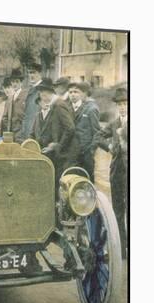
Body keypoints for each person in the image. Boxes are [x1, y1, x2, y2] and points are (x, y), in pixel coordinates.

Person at [95, 87, 128, 259]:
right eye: (120, 104)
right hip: (117, 172)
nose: (123, 107)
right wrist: (108, 147)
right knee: (118, 210)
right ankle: (122, 250)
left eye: (125, 104)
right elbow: (98, 136)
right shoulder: (114, 124)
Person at [29, 78, 79, 186]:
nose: (42, 95)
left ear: (50, 92)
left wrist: (58, 145)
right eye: (40, 92)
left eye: (44, 92)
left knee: (56, 183)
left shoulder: (59, 105)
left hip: (61, 155)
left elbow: (70, 128)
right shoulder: (48, 106)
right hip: (50, 153)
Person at [68, 82, 100, 183]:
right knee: (72, 180)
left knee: (87, 180)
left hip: (86, 153)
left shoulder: (91, 109)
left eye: (76, 92)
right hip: (72, 152)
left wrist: (91, 150)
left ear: (83, 93)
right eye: (71, 92)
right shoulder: (68, 108)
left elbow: (96, 132)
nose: (73, 94)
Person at [0, 68, 28, 142]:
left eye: (17, 81)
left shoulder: (26, 96)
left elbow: (27, 118)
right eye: (13, 82)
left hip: (22, 135)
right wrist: (8, 128)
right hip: (10, 134)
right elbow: (4, 117)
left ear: (21, 83)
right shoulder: (10, 98)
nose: (14, 84)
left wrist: (22, 131)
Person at [22, 62, 44, 140]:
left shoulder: (43, 89)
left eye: (33, 72)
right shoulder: (30, 89)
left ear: (40, 73)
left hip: (37, 132)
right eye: (29, 73)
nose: (31, 75)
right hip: (28, 130)